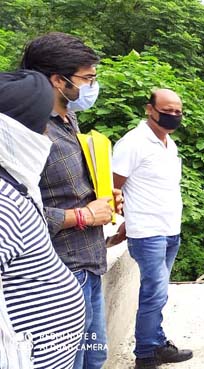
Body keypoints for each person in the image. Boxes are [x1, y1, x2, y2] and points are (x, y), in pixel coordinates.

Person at [20, 32, 123, 369]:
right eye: (87, 79)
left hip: (91, 263)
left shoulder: (68, 119)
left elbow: (70, 187)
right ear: (57, 79)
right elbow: (14, 210)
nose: (92, 87)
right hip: (58, 275)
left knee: (94, 359)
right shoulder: (27, 132)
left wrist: (104, 197)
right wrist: (80, 216)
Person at [0, 70, 86, 369]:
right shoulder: (3, 203)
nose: (47, 134)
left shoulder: (14, 183)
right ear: (19, 131)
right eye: (40, 125)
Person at [111, 89, 193, 369]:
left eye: (178, 112)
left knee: (159, 291)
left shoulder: (169, 143)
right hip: (147, 232)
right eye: (167, 110)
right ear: (150, 109)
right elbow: (113, 187)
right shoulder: (133, 143)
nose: (173, 116)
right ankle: (145, 355)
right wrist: (122, 220)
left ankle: (156, 342)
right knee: (154, 292)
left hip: (170, 229)